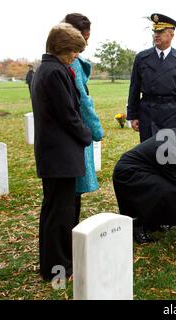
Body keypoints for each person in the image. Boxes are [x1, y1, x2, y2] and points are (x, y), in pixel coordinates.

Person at [31, 23, 91, 281]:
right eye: (73, 51)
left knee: (53, 210)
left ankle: (51, 264)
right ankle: (60, 266)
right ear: (60, 48)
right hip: (60, 154)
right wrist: (86, 135)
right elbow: (68, 114)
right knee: (60, 214)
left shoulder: (45, 69)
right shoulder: (55, 72)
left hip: (54, 153)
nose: (75, 56)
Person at [127, 13, 176, 142]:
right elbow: (134, 88)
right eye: (155, 31)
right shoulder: (142, 58)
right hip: (147, 113)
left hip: (171, 114)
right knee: (148, 153)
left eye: (161, 31)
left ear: (172, 35)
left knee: (167, 155)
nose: (156, 35)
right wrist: (133, 115)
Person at [63, 13, 104, 225]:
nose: (87, 43)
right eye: (85, 37)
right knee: (71, 196)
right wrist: (97, 131)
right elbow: (83, 100)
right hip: (75, 132)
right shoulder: (74, 63)